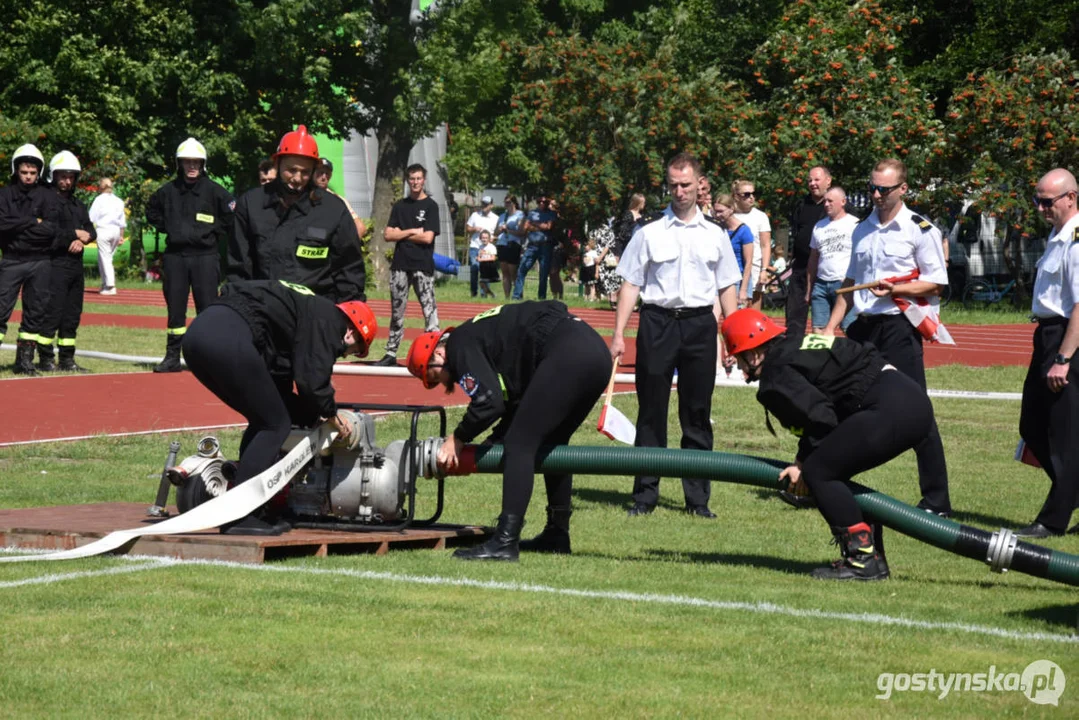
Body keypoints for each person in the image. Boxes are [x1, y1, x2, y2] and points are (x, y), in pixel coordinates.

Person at [721, 309, 946, 580]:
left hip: (889, 407)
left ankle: (862, 558)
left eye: (740, 358)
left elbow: (821, 418)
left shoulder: (775, 375)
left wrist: (802, 463)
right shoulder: (795, 345)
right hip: (905, 394)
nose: (741, 367)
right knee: (833, 469)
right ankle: (871, 549)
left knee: (819, 472)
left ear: (754, 353)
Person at [405, 301, 611, 560]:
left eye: (435, 377)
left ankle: (505, 540)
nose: (445, 383)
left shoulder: (459, 345)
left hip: (569, 352)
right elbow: (513, 401)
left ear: (438, 354)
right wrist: (495, 437)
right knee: (552, 441)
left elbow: (488, 402)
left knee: (519, 444)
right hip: (593, 352)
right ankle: (557, 533)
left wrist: (457, 439)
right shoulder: (479, 335)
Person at [182, 279, 376, 535]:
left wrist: (310, 414)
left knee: (264, 417)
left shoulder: (303, 312)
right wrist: (331, 414)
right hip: (228, 338)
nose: (341, 355)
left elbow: (280, 385)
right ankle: (240, 515)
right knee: (274, 424)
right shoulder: (329, 320)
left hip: (198, 337)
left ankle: (252, 507)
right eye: (350, 352)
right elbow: (312, 381)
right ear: (352, 332)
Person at [611, 152, 741, 517]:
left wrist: (732, 338)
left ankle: (697, 500)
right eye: (673, 185)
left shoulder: (716, 235)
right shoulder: (649, 231)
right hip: (657, 323)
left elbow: (726, 288)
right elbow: (631, 284)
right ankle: (645, 495)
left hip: (700, 326)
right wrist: (619, 334)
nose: (679, 191)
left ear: (700, 185)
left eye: (686, 184)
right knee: (651, 411)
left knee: (697, 414)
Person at [823, 158, 951, 517]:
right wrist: (832, 326)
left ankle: (937, 502)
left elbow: (937, 282)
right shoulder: (862, 229)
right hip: (863, 328)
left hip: (898, 327)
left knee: (917, 413)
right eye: (872, 188)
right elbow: (848, 285)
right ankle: (824, 479)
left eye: (884, 189)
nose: (876, 195)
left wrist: (898, 288)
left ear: (902, 189)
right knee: (841, 406)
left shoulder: (919, 228)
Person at [227, 127, 366, 307]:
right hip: (263, 311)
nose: (297, 178)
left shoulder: (333, 210)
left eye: (305, 172)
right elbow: (238, 269)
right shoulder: (251, 205)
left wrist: (348, 315)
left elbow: (349, 270)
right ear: (277, 165)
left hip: (315, 314)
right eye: (291, 170)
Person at [1015, 168, 1079, 538]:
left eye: (1047, 201)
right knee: (1032, 426)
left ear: (1070, 197)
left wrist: (1064, 358)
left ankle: (1053, 520)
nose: (1040, 208)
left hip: (1064, 340)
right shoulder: (1058, 236)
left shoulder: (1074, 240)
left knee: (1064, 433)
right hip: (1048, 336)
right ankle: (1071, 493)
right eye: (1037, 200)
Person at [146, 137, 235, 373]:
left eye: (196, 162)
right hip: (176, 257)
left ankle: (210, 359)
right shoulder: (167, 191)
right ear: (180, 164)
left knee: (207, 310)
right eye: (187, 162)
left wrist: (213, 233)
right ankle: (172, 357)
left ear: (203, 164)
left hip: (205, 257)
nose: (192, 166)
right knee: (175, 310)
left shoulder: (215, 191)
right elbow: (151, 211)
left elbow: (231, 217)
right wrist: (170, 227)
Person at [374, 163, 440, 367]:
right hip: (400, 265)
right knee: (396, 311)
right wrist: (412, 231)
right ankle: (391, 353)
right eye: (412, 178)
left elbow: (428, 238)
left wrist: (400, 234)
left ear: (424, 180)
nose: (415, 182)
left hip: (422, 265)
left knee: (429, 310)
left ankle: (433, 352)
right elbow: (387, 234)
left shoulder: (431, 206)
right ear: (407, 180)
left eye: (419, 178)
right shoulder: (400, 206)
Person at [0, 143, 58, 375]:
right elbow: (1, 225)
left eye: (33, 173)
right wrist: (33, 222)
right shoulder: (4, 194)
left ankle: (24, 361)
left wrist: (18, 224)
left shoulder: (47, 195)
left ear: (39, 172)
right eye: (24, 172)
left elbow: (52, 229)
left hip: (41, 261)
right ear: (16, 170)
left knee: (35, 312)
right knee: (1, 309)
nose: (28, 177)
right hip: (12, 260)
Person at [38, 151, 95, 373]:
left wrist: (83, 240)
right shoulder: (45, 201)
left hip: (75, 267)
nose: (67, 181)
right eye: (63, 176)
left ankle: (67, 359)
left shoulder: (78, 204)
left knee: (72, 314)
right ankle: (44, 358)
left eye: (71, 177)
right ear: (54, 175)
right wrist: (73, 235)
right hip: (55, 264)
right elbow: (47, 232)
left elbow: (89, 230)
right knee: (52, 312)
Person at [786, 166, 832, 335]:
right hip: (800, 268)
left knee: (824, 319)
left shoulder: (838, 206)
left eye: (817, 180)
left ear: (828, 181)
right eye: (810, 180)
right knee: (794, 316)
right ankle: (792, 350)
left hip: (824, 270)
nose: (812, 184)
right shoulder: (801, 204)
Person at [806, 186, 858, 332]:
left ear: (843, 202)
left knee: (850, 328)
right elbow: (813, 259)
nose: (826, 204)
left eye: (830, 201)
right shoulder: (819, 226)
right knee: (818, 329)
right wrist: (810, 288)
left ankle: (854, 355)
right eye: (825, 201)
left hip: (844, 283)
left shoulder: (855, 224)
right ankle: (823, 355)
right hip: (821, 284)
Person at [732, 179, 772, 311]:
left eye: (753, 193)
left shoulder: (760, 217)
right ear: (736, 196)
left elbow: (765, 245)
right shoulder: (729, 215)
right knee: (734, 308)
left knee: (753, 309)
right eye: (746, 194)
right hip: (734, 267)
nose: (751, 197)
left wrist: (764, 270)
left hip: (754, 266)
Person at [712, 194, 755, 307]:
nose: (717, 215)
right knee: (713, 316)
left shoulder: (744, 231)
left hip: (737, 279)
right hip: (720, 277)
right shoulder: (717, 229)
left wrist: (743, 289)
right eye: (715, 211)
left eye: (721, 211)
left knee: (735, 320)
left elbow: (749, 262)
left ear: (731, 209)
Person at [512, 195, 556, 300]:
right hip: (532, 245)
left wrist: (534, 224)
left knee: (543, 274)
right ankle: (517, 296)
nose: (541, 203)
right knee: (522, 269)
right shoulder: (531, 213)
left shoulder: (551, 214)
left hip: (545, 246)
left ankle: (541, 297)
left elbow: (549, 227)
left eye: (544, 202)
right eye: (540, 201)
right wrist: (540, 226)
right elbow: (525, 227)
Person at [312, 157, 367, 239]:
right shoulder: (300, 194)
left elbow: (361, 228)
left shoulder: (338, 199)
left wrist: (344, 247)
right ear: (312, 173)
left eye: (327, 173)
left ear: (330, 176)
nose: (323, 177)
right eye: (320, 172)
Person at [89, 177, 126, 296]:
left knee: (105, 258)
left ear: (101, 187)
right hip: (115, 231)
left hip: (103, 230)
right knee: (105, 258)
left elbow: (91, 218)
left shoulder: (99, 200)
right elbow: (122, 221)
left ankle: (110, 285)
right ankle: (105, 283)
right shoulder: (119, 201)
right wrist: (121, 236)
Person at [465, 196, 499, 298]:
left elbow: (499, 234)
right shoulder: (475, 215)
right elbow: (467, 228)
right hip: (475, 246)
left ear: (491, 205)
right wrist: (474, 229)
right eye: (483, 203)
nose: (484, 206)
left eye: (486, 204)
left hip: (487, 249)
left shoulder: (496, 218)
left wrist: (494, 238)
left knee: (485, 271)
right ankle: (473, 292)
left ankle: (484, 294)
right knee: (475, 268)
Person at [495, 195, 525, 298]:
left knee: (513, 272)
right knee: (505, 272)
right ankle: (507, 297)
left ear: (514, 203)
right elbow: (495, 232)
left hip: (513, 244)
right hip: (502, 244)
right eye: (505, 202)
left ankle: (517, 295)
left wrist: (508, 230)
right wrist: (500, 229)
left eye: (509, 202)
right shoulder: (502, 216)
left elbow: (522, 232)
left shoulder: (520, 215)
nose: (506, 205)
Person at [477, 229, 499, 298]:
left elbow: (493, 258)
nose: (484, 239)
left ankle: (486, 295)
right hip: (483, 266)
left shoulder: (492, 247)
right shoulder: (480, 247)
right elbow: (479, 256)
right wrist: (478, 258)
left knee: (483, 282)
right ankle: (490, 294)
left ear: (489, 239)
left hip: (490, 267)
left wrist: (482, 259)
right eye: (483, 238)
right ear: (480, 238)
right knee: (482, 283)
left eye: (486, 238)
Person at [581, 237, 598, 301]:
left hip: (591, 270)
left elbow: (596, 263)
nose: (585, 247)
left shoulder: (593, 252)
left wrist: (596, 272)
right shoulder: (584, 253)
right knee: (586, 284)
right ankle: (586, 297)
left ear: (590, 246)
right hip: (585, 270)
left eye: (586, 245)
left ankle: (592, 297)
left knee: (592, 285)